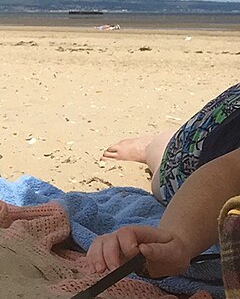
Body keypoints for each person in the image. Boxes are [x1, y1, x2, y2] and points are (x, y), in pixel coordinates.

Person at [90, 84, 240, 277]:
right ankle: (151, 146)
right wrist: (178, 240)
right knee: (167, 166)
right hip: (205, 136)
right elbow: (227, 174)